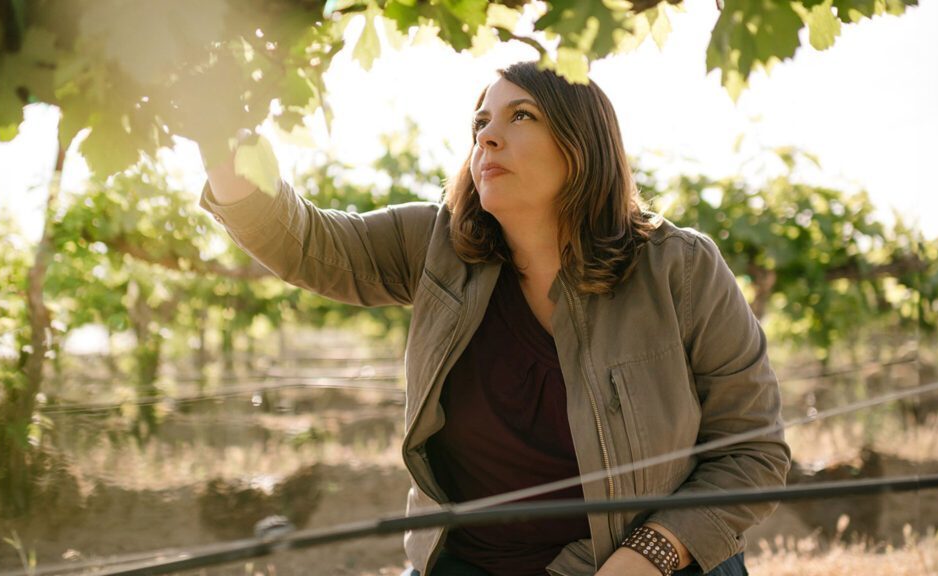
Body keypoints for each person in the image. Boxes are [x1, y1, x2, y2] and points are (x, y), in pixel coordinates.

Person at [199, 60, 790, 576]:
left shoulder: (679, 269)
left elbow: (753, 452)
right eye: (480, 123)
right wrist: (223, 148)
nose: (488, 138)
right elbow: (307, 244)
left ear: (582, 141)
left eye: (521, 116)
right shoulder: (435, 244)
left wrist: (649, 556)